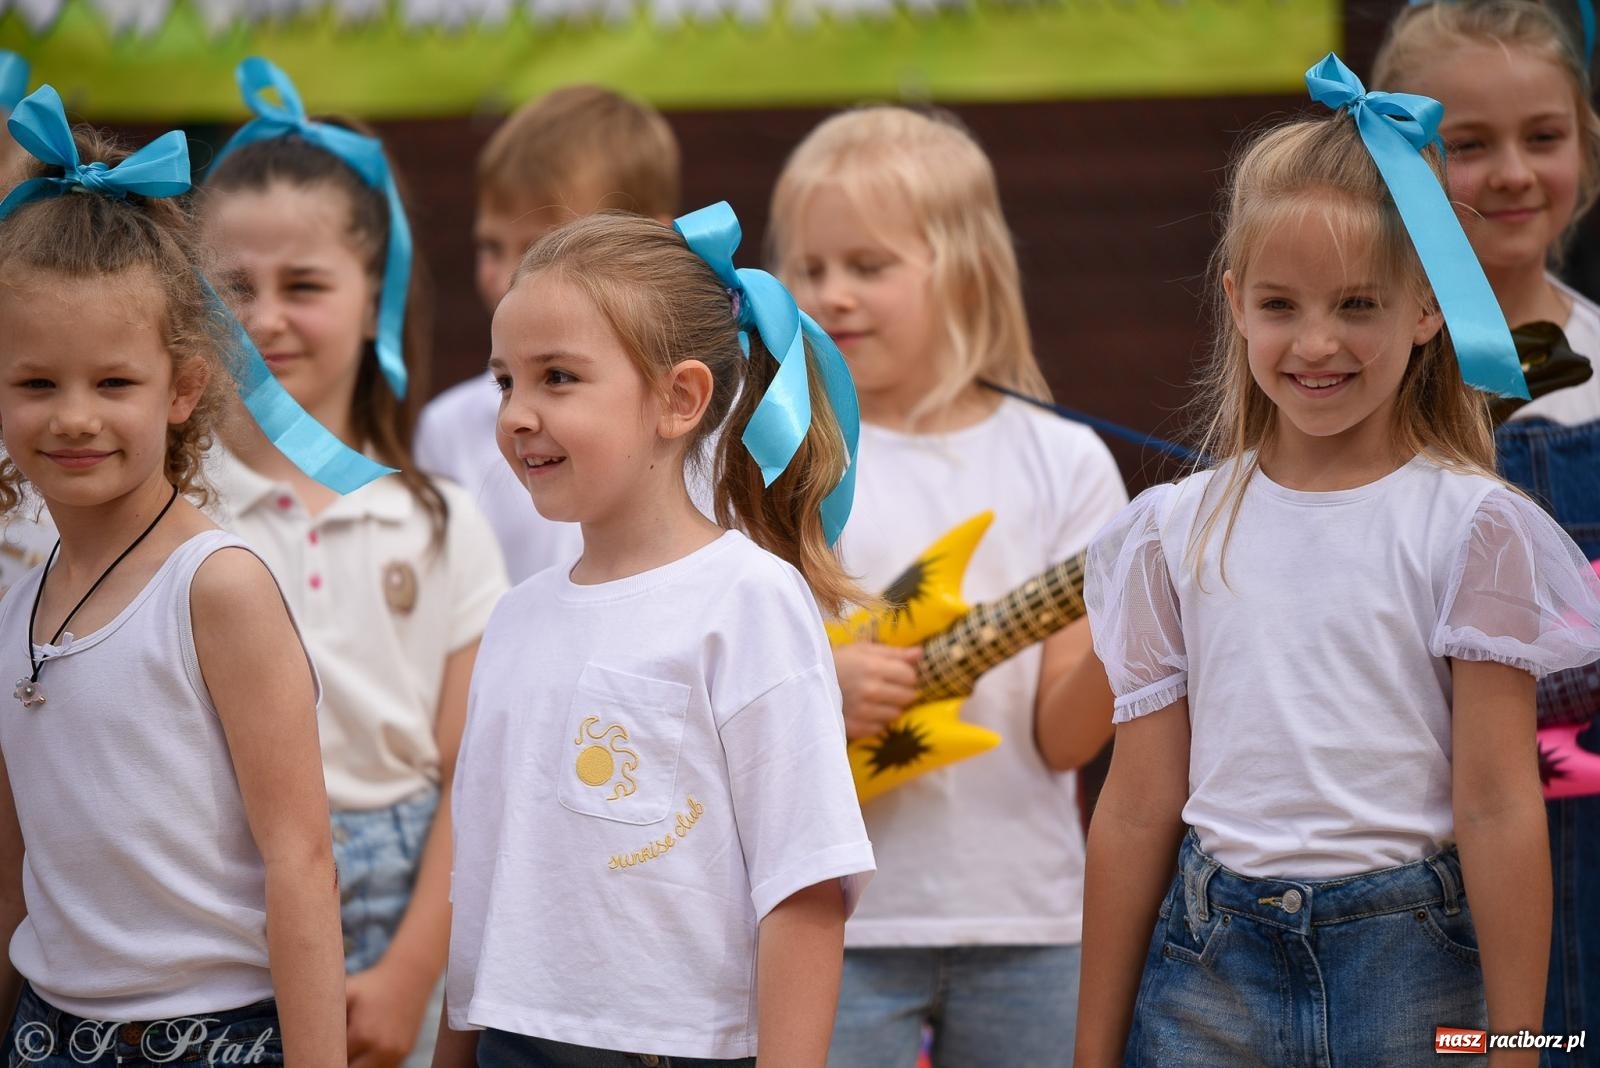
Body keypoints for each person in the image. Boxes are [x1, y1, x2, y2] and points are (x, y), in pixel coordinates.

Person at [1075, 55, 1600, 1067]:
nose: (1316, 343)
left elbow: (1498, 803)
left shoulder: (1474, 526)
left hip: (1416, 971)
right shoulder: (1172, 531)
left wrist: (1516, 1045)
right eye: (1281, 305)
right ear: (1235, 304)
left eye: (1358, 304)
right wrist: (1092, 1054)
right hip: (1209, 975)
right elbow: (1136, 808)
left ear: (1426, 307)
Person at [435, 205, 875, 1067]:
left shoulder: (748, 601)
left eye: (558, 377)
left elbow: (805, 884)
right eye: (505, 382)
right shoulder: (514, 618)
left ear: (679, 399)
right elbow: (481, 879)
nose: (517, 414)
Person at [769, 105, 1129, 1066]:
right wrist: (819, 688)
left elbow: (1064, 740)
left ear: (964, 268)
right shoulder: (773, 458)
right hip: (824, 916)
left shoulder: (1066, 462)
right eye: (808, 268)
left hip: (1030, 919)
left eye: (867, 265)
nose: (832, 294)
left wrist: (1145, 627)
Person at [0, 88, 344, 1064]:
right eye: (36, 382)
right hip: (45, 1034)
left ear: (183, 387)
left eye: (114, 382)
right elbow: (12, 870)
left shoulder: (217, 588)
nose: (75, 416)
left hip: (214, 1038)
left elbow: (302, 861)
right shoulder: (15, 606)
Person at [200, 58, 507, 1068]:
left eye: (303, 285)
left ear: (374, 295)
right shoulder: (166, 522)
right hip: (219, 915)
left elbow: (476, 774)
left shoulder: (444, 522)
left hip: (407, 914)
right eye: (233, 287)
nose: (265, 317)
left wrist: (413, 973)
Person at [1375, 7, 1600, 1052]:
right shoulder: (1356, 378)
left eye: (1542, 137)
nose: (1511, 173)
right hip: (1422, 833)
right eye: (1467, 144)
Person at [414, 85, 681, 583]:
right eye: (491, 247)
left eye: (540, 248)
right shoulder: (449, 429)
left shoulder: (717, 418)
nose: (505, 278)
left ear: (650, 241)